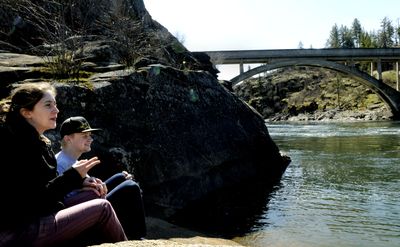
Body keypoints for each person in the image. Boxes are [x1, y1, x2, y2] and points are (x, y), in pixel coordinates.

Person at [0, 82, 127, 247]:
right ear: (26, 112)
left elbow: (45, 189)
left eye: (55, 104)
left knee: (94, 193)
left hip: (35, 218)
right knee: (102, 208)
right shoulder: (16, 146)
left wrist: (80, 182)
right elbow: (35, 202)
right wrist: (73, 176)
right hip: (18, 232)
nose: (56, 110)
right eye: (48, 105)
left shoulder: (37, 142)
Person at [56, 116, 147, 240]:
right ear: (68, 138)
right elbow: (62, 200)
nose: (90, 139)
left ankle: (131, 232)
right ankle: (138, 237)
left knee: (121, 178)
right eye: (84, 136)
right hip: (83, 216)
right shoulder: (61, 163)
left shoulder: (68, 158)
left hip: (88, 204)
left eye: (90, 135)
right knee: (130, 187)